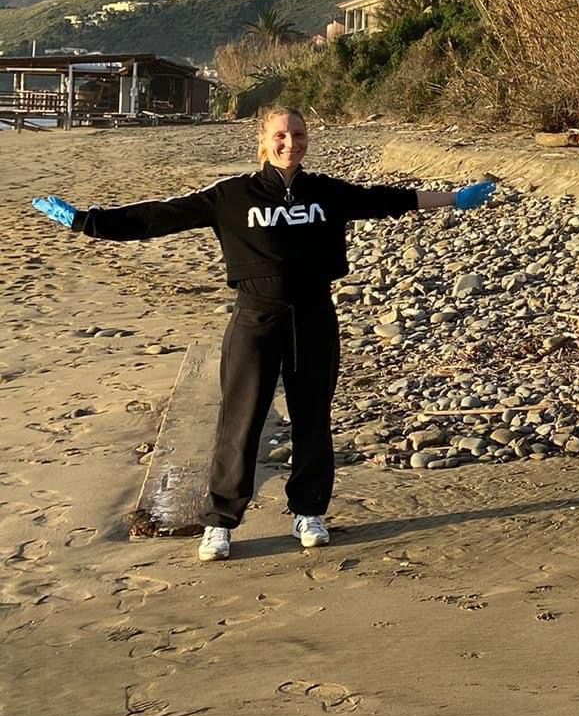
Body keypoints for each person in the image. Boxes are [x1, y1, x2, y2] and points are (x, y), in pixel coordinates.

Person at [30, 106, 496, 561]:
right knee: (241, 420)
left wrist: (455, 199)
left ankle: (309, 513)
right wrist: (85, 221)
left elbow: (388, 199)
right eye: (280, 135)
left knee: (312, 417)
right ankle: (219, 523)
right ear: (263, 141)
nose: (290, 143)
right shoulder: (232, 196)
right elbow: (159, 218)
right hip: (255, 321)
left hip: (314, 318)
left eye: (298, 135)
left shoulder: (326, 192)